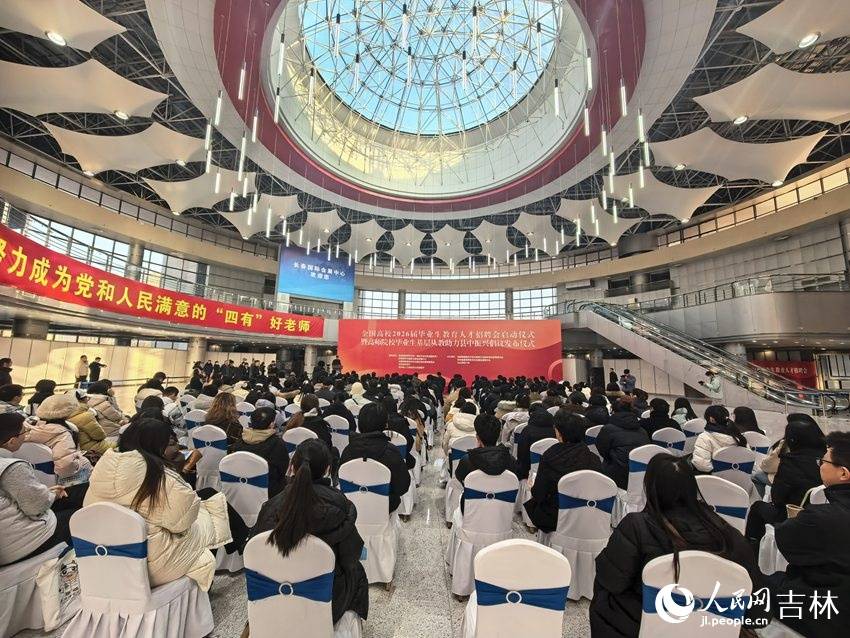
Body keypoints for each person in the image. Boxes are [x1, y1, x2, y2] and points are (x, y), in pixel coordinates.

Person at [85, 418, 235, 591]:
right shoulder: (155, 475)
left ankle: (239, 542)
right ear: (157, 445)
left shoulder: (104, 468)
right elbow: (182, 522)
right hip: (152, 563)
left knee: (207, 497)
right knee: (213, 510)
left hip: (106, 556)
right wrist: (177, 472)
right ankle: (230, 558)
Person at [252, 439, 368, 624]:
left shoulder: (271, 507)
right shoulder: (339, 506)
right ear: (328, 469)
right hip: (327, 603)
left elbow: (256, 553)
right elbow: (350, 556)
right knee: (356, 571)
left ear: (292, 467)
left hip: (275, 599)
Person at [765, 431, 850, 638]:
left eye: (823, 461)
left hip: (828, 610)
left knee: (758, 586)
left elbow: (785, 540)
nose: (819, 465)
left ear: (843, 474)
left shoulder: (822, 517)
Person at [0, 412, 84, 566]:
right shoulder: (11, 467)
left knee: (76, 493)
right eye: (24, 432)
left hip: (11, 537)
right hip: (26, 541)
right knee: (82, 514)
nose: (27, 435)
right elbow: (36, 507)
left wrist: (47, 493)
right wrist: (52, 495)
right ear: (11, 441)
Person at [745, 420, 825, 545]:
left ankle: (754, 546)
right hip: (823, 513)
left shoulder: (790, 462)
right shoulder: (827, 458)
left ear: (792, 440)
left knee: (757, 507)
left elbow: (777, 498)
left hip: (794, 516)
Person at [524, 411, 602, 533]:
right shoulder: (593, 458)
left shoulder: (549, 457)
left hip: (556, 516)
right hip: (586, 513)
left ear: (559, 433)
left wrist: (532, 487)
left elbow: (539, 494)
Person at [339, 402, 410, 513]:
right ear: (385, 424)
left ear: (359, 424)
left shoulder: (348, 450)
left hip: (352, 510)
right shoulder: (391, 452)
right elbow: (403, 487)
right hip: (386, 508)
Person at [455, 414, 517, 512]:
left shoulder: (467, 460)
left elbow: (460, 478)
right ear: (498, 435)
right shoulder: (511, 460)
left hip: (471, 512)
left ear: (477, 437)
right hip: (501, 514)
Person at [31, 394, 93, 486]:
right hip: (60, 484)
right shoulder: (62, 434)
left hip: (33, 478)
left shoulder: (28, 428)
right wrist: (84, 462)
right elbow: (66, 467)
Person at [231, 406, 289, 498]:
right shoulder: (278, 444)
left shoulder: (238, 443)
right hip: (269, 493)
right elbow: (282, 471)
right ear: (271, 424)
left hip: (239, 491)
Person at [595, 400, 649, 489]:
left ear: (613, 411)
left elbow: (602, 450)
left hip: (616, 476)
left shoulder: (608, 429)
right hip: (640, 475)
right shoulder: (642, 430)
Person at [691, 405, 748, 473]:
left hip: (715, 478)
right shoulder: (738, 435)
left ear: (711, 419)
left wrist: (719, 471)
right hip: (740, 476)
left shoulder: (704, 437)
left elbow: (701, 465)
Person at [516, 408, 556, 480]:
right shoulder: (555, 432)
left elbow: (521, 454)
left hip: (528, 474)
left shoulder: (526, 431)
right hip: (552, 474)